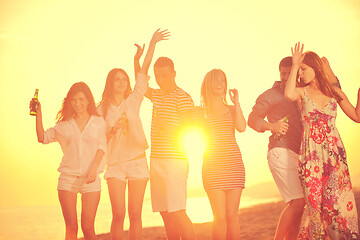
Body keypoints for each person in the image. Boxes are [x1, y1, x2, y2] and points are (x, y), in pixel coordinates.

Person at [98, 29, 170, 240]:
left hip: (137, 161)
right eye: (116, 79)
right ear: (110, 83)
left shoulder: (133, 100)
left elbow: (143, 71)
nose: (121, 82)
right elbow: (99, 139)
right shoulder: (102, 109)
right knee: (118, 214)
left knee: (136, 214)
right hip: (115, 164)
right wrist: (111, 130)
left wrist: (152, 44)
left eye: (123, 79)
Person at [284, 42, 360, 239]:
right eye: (299, 70)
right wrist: (294, 65)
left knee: (336, 204)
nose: (300, 74)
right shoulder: (301, 92)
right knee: (315, 206)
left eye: (303, 69)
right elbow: (288, 93)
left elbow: (357, 116)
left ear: (315, 68)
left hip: (335, 157)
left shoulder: (333, 92)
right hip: (311, 158)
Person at [33, 82, 107, 240]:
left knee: (88, 228)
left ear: (88, 100)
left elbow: (102, 147)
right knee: (71, 227)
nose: (77, 104)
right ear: (69, 102)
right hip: (67, 179)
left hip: (91, 180)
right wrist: (38, 114)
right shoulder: (64, 125)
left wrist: (94, 168)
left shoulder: (98, 122)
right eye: (73, 100)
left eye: (81, 99)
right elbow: (42, 138)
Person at [248, 56, 306, 240]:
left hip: (298, 154)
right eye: (283, 73)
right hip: (280, 151)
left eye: (290, 73)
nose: (285, 77)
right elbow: (252, 119)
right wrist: (272, 126)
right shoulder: (270, 95)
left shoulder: (302, 92)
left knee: (300, 205)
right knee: (297, 202)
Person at [144, 56, 196, 240]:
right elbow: (140, 83)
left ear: (174, 74)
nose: (161, 80)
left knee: (178, 212)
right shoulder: (156, 95)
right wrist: (139, 59)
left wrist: (169, 127)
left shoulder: (183, 96)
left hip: (175, 161)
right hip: (156, 160)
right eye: (157, 76)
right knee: (165, 213)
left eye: (165, 75)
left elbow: (190, 128)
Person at [199, 69, 246, 240]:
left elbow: (241, 127)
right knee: (219, 218)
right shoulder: (201, 112)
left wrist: (237, 103)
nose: (220, 84)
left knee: (232, 217)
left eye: (223, 81)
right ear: (208, 84)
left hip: (234, 166)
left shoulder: (232, 109)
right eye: (216, 80)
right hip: (213, 168)